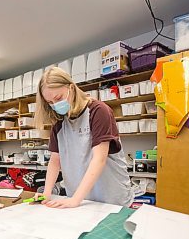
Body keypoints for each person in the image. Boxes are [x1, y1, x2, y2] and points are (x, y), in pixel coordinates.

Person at [33, 67, 133, 208]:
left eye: (58, 98)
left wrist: (75, 200)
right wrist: (47, 192)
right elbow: (55, 161)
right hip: (81, 201)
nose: (55, 105)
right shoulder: (59, 124)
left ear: (72, 88)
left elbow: (99, 159)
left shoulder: (98, 111)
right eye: (50, 103)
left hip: (110, 199)